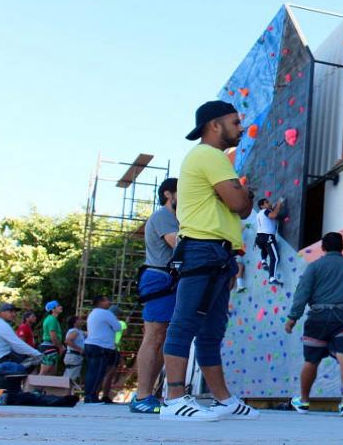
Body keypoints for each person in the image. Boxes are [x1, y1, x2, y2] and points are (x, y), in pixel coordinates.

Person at [160, 100, 259, 421]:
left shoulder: (211, 158)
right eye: (234, 122)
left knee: (211, 330)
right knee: (186, 321)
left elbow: (239, 205)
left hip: (218, 252)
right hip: (203, 248)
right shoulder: (210, 156)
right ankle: (173, 400)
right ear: (214, 125)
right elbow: (240, 204)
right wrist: (243, 195)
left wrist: (241, 198)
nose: (240, 128)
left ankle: (224, 400)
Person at [285, 231, 343, 417]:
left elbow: (302, 292)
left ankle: (304, 401)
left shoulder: (314, 267)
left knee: (311, 360)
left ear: (322, 248)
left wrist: (293, 317)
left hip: (319, 318)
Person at [131, 177, 179, 414]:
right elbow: (178, 244)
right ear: (169, 194)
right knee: (154, 335)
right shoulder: (163, 216)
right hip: (160, 278)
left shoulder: (175, 217)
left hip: (169, 280)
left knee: (163, 337)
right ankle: (142, 396)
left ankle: (148, 393)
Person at [0, 303, 42, 368]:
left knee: (26, 360)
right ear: (1, 313)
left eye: (14, 312)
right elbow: (17, 344)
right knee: (28, 363)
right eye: (10, 312)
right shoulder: (1, 325)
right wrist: (38, 354)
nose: (14, 314)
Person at [83, 295, 121, 404]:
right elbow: (118, 327)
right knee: (98, 372)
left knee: (91, 371)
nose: (108, 302)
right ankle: (91, 396)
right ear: (101, 302)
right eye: (106, 300)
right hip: (100, 346)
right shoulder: (106, 313)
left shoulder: (93, 313)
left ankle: (88, 395)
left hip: (91, 345)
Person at [99, 305, 127, 403]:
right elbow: (125, 332)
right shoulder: (121, 323)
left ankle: (101, 394)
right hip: (114, 348)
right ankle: (105, 395)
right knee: (111, 372)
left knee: (104, 372)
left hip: (104, 347)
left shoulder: (104, 322)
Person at [254, 198, 284, 285]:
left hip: (259, 238)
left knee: (265, 248)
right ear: (262, 206)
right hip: (268, 236)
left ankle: (263, 261)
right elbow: (273, 215)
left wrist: (274, 208)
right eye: (267, 202)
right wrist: (279, 203)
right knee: (275, 258)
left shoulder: (258, 214)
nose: (269, 202)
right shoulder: (265, 211)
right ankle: (272, 277)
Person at [38, 300, 64, 375]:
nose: (61, 307)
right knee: (44, 372)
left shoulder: (51, 319)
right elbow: (53, 337)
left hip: (50, 347)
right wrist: (60, 347)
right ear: (53, 310)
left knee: (51, 373)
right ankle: (35, 386)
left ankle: (41, 386)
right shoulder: (52, 319)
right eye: (58, 306)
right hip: (50, 347)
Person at [63, 315, 86, 386]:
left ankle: (66, 394)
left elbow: (90, 334)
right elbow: (67, 341)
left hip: (74, 356)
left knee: (70, 378)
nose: (82, 321)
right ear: (75, 323)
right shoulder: (75, 332)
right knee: (70, 379)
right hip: (73, 356)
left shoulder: (79, 332)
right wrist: (79, 349)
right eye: (79, 319)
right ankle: (65, 394)